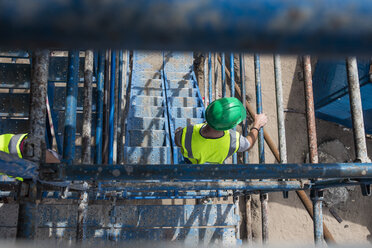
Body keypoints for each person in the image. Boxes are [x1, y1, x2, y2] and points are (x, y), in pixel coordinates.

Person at [174, 97, 268, 164]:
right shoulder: (233, 140)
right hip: (214, 173)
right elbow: (248, 144)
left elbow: (177, 141)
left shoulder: (187, 133)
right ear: (230, 126)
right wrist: (257, 125)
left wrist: (179, 131)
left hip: (190, 168)